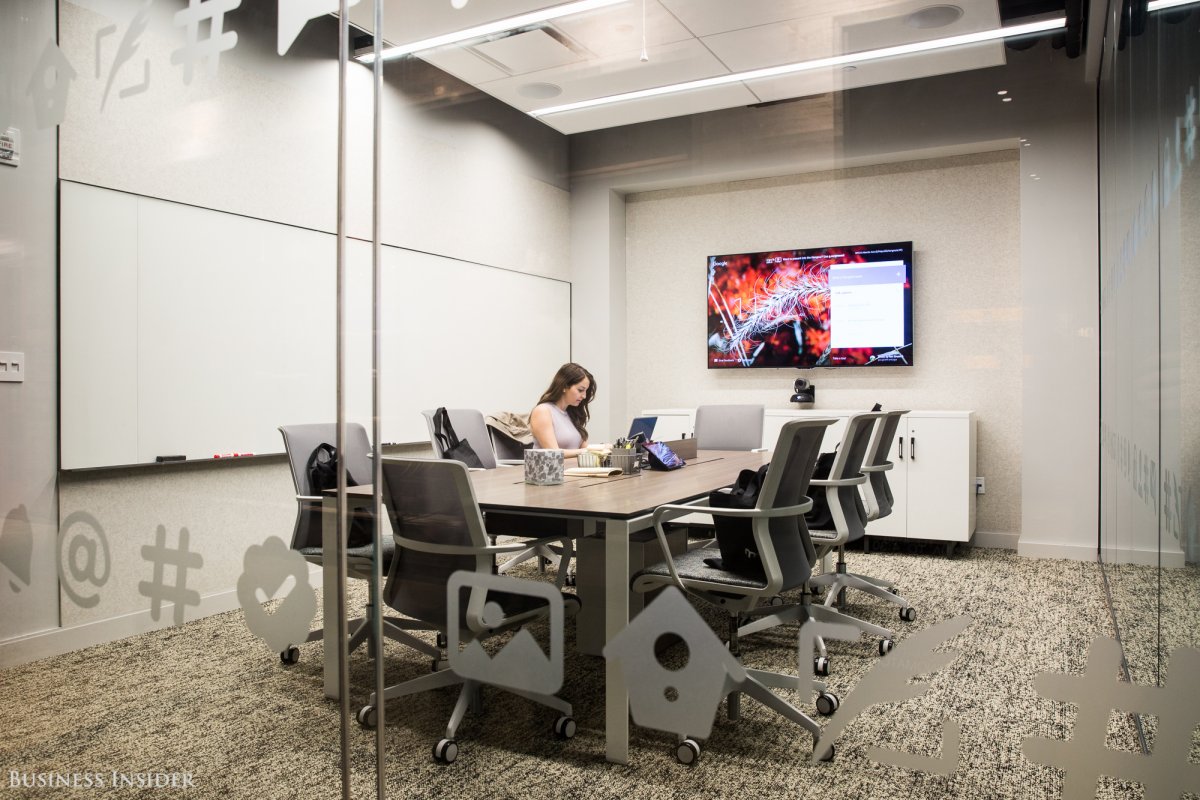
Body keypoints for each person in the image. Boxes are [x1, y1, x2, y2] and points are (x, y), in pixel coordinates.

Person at [530, 363, 595, 458]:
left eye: (586, 391)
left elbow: (585, 448)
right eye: (580, 390)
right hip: (551, 472)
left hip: (572, 470)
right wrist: (588, 451)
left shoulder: (572, 413)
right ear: (564, 386)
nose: (584, 396)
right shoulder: (543, 411)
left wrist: (604, 448)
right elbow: (554, 453)